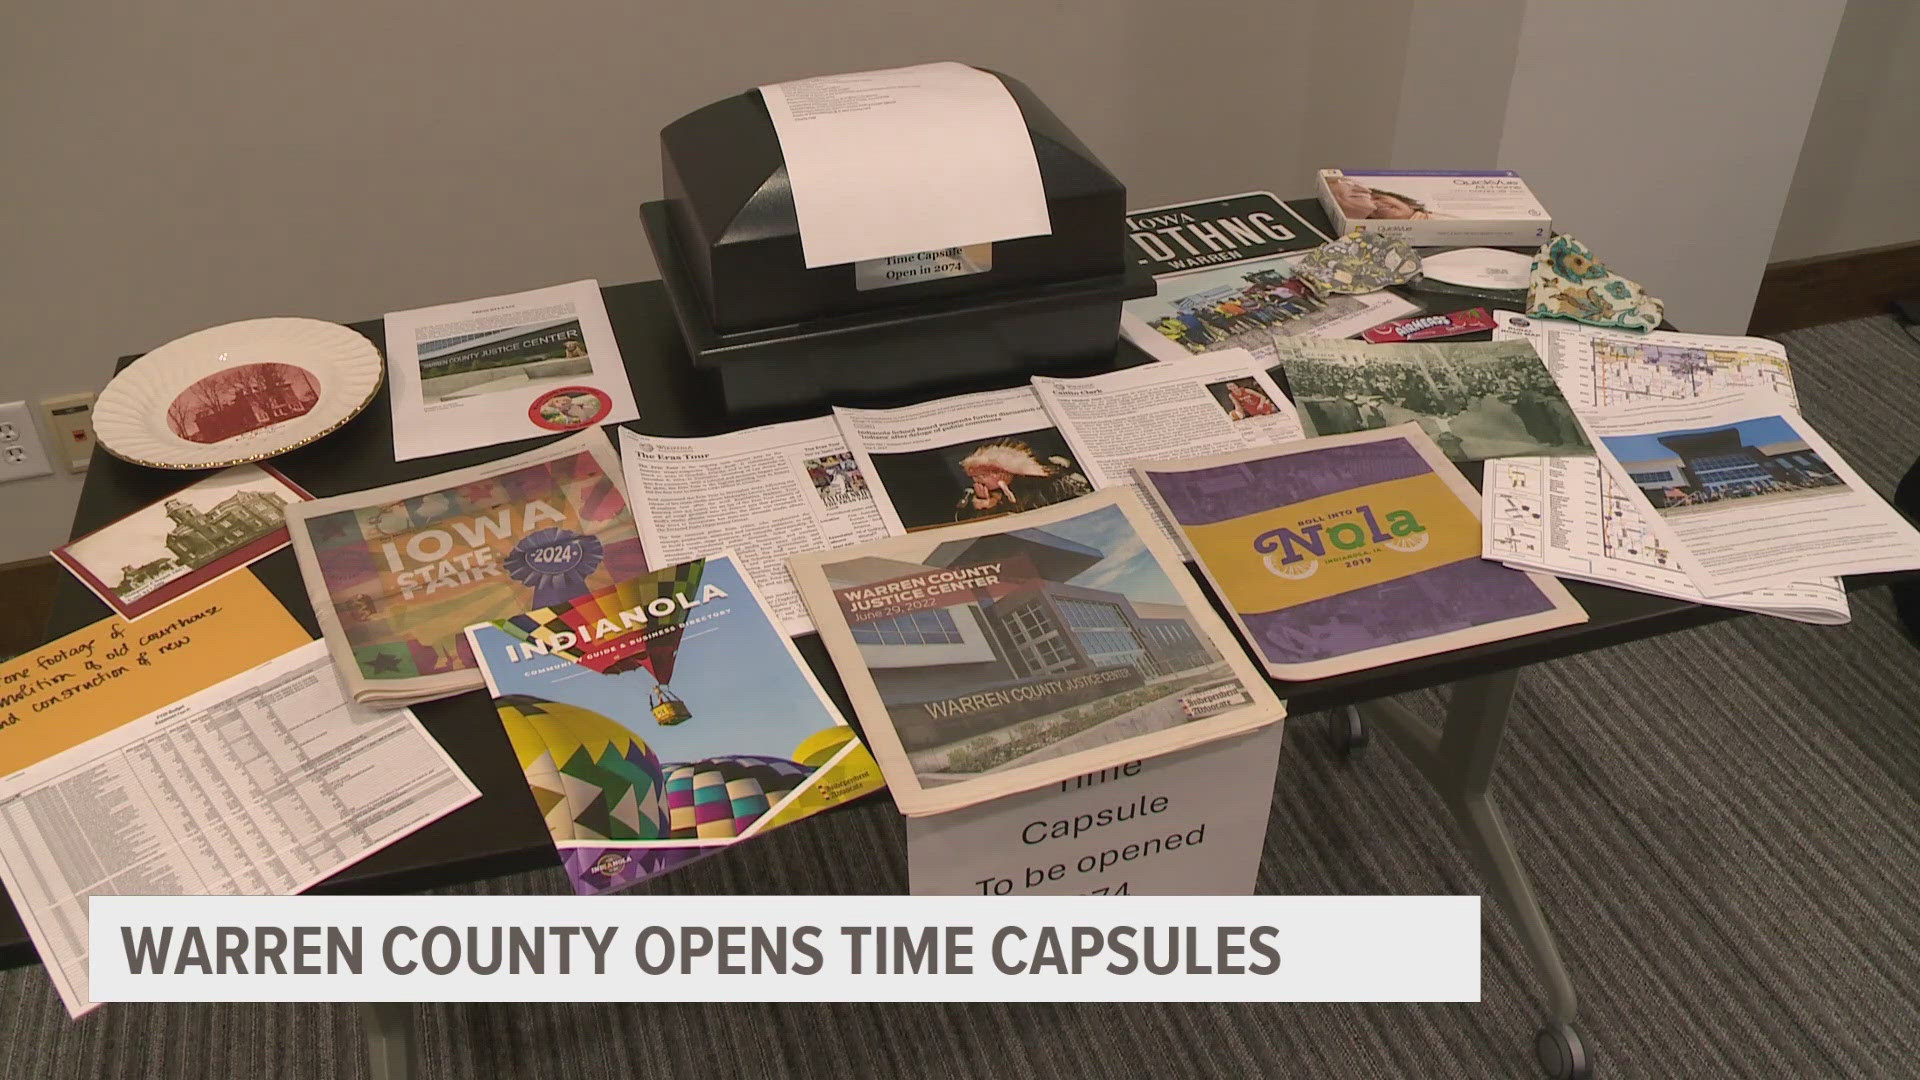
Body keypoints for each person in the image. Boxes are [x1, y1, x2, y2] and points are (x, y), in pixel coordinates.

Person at [952, 441, 1092, 521]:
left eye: (980, 477)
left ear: (997, 473)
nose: (976, 482)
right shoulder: (982, 496)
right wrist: (984, 507)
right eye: (974, 478)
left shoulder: (1040, 483)